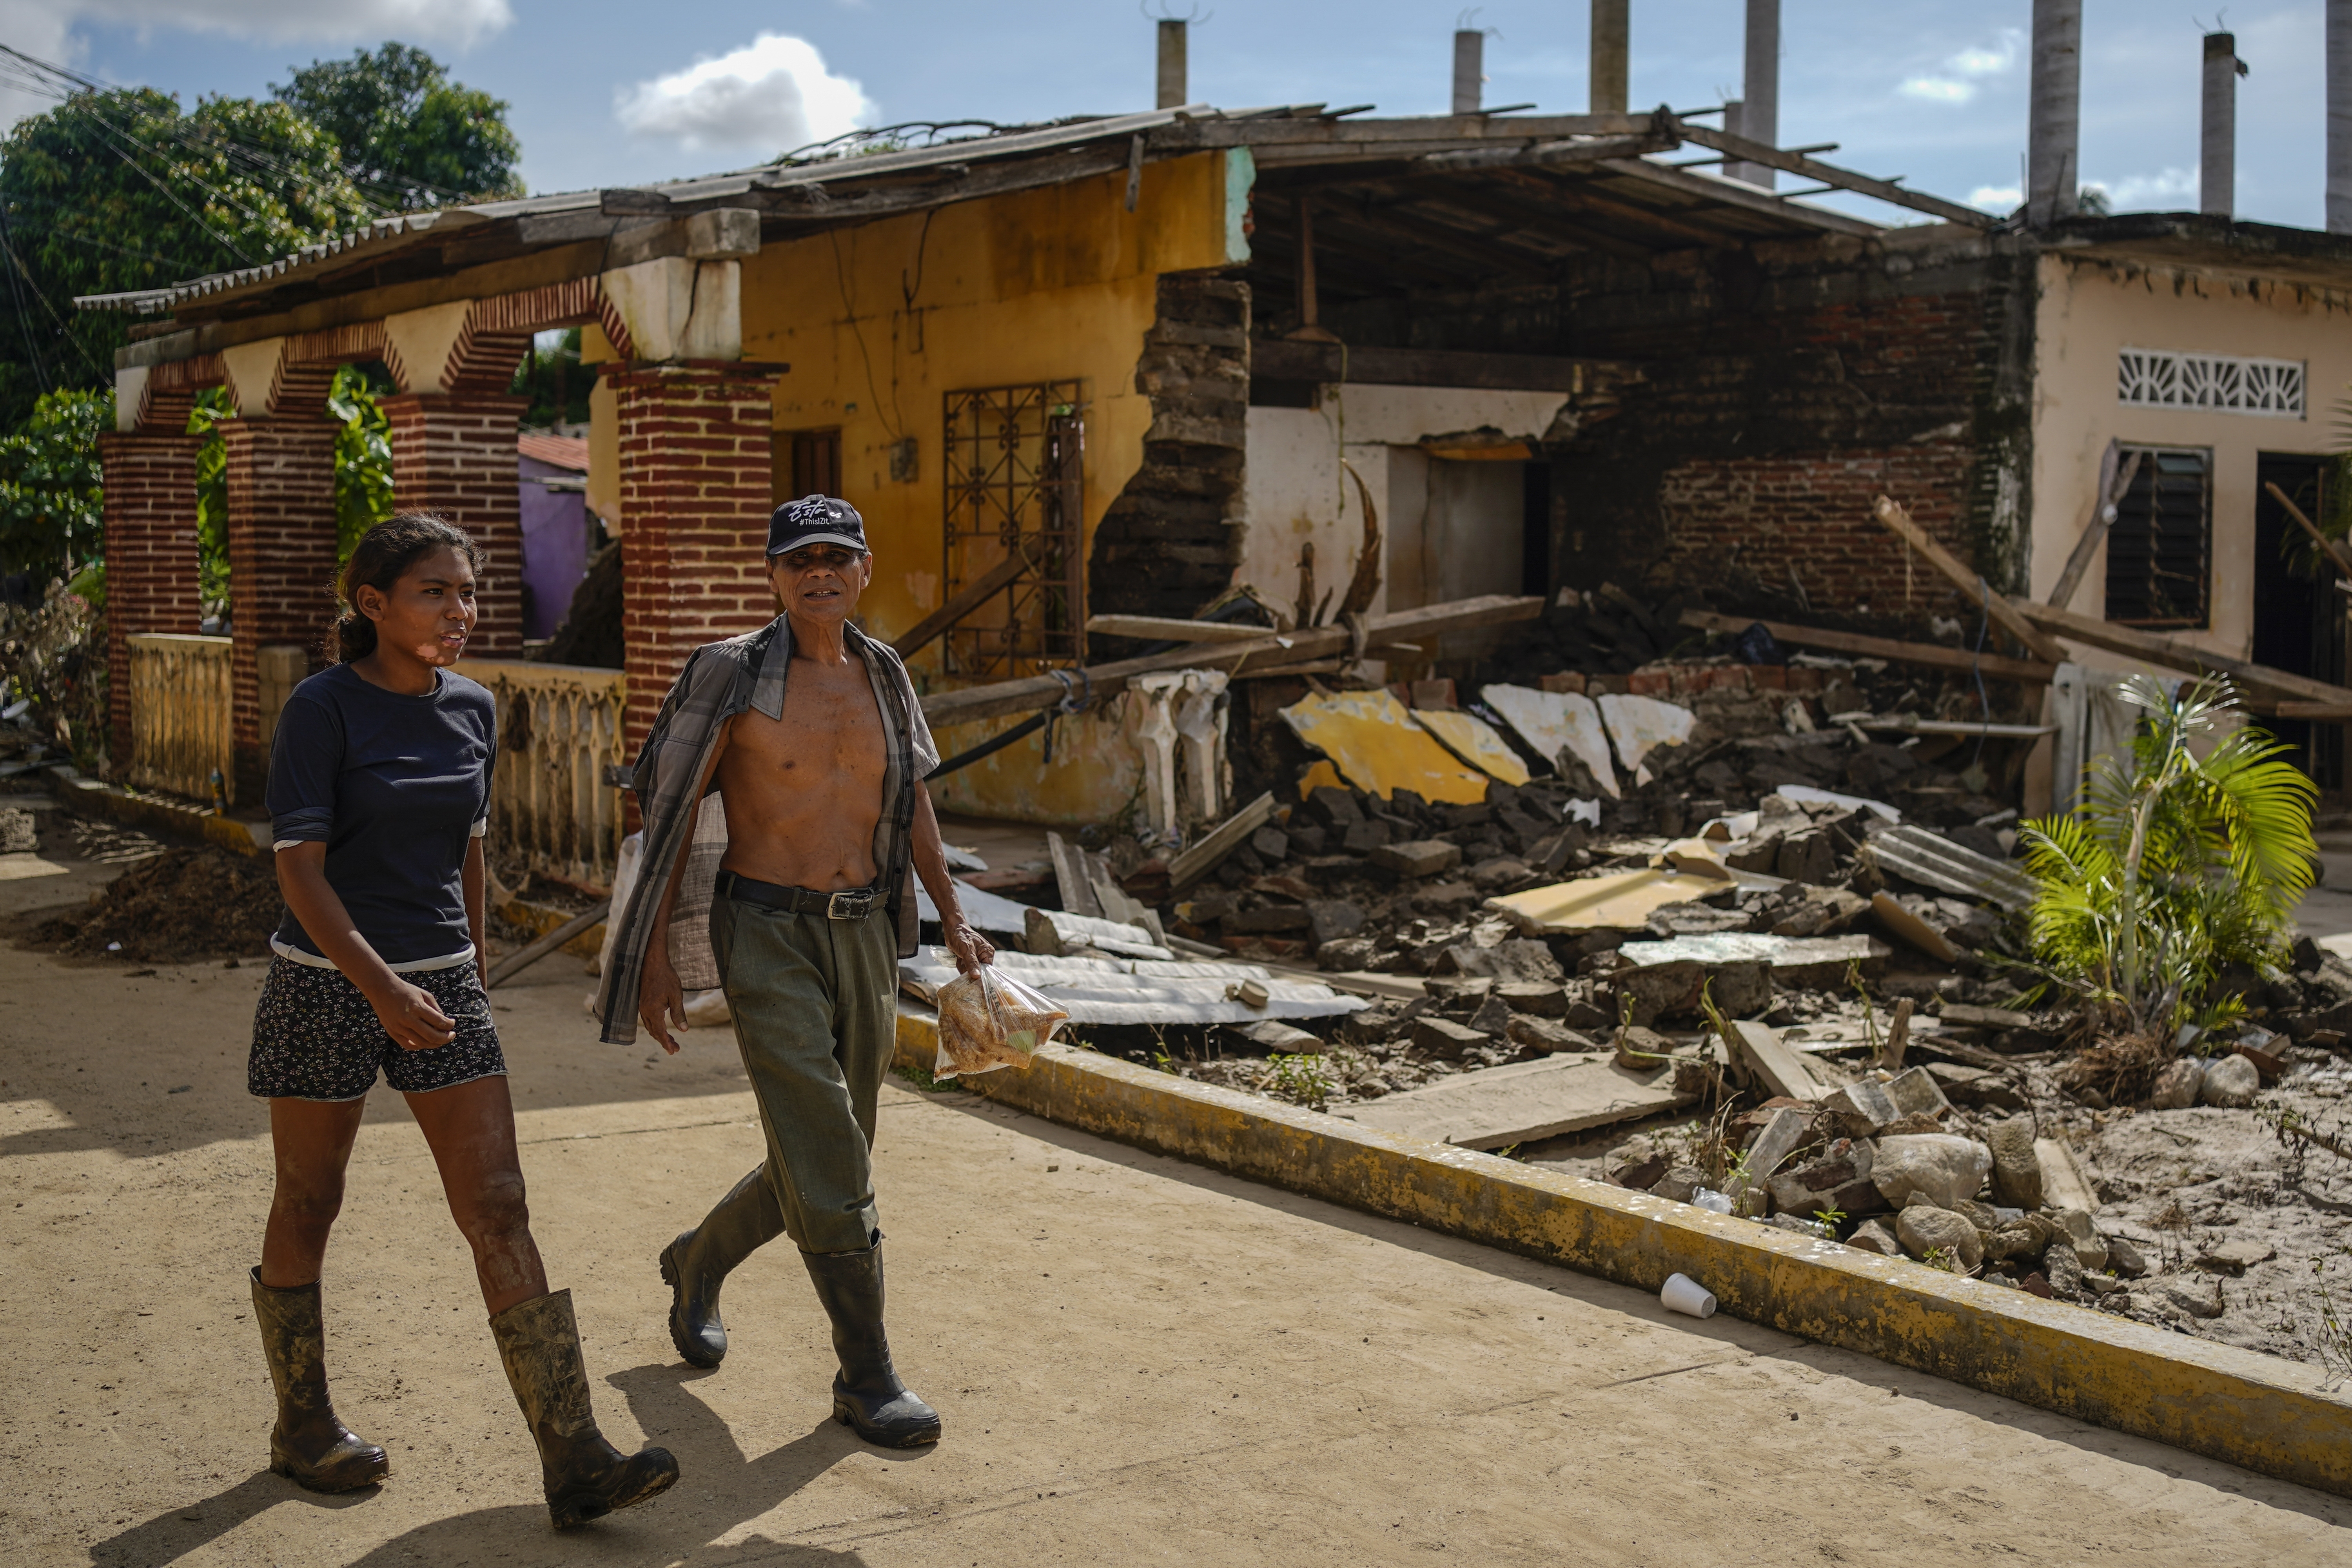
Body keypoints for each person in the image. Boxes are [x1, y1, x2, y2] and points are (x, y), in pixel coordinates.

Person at [247, 514, 678, 1528]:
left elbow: (468, 849)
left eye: (468, 591)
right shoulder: (323, 712)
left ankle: (573, 1455)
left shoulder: (473, 709)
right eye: (435, 591)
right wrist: (380, 991)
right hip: (324, 981)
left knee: (498, 1202)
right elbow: (299, 872)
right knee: (310, 1198)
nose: (460, 610)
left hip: (443, 984)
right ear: (374, 606)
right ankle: (302, 1425)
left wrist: (471, 969)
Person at [597, 494, 993, 1448]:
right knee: (829, 1147)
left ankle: (698, 1258)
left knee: (831, 1148)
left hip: (864, 932)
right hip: (766, 930)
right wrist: (651, 957)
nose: (819, 571)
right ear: (773, 577)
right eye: (798, 558)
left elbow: (915, 802)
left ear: (862, 570)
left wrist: (956, 912)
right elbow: (672, 811)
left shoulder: (885, 672)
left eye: (837, 556)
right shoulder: (730, 673)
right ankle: (867, 1374)